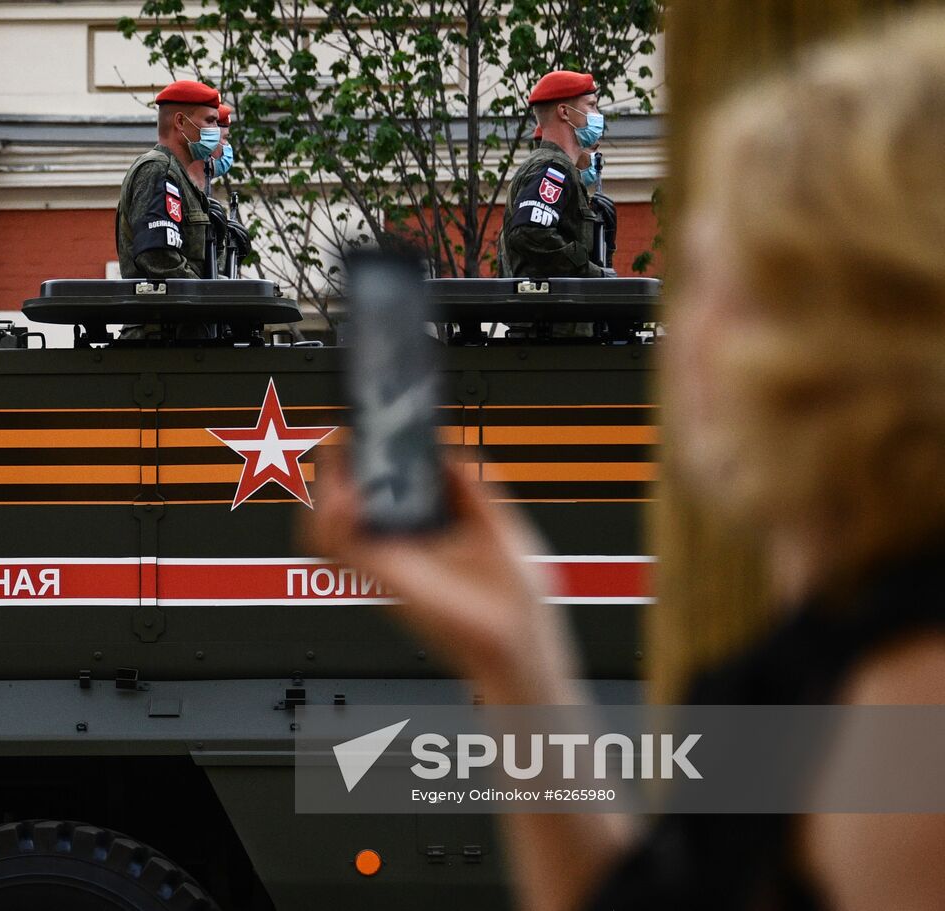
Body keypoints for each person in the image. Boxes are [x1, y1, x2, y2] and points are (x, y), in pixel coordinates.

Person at [307, 16, 945, 911]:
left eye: (720, 280)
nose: (687, 329)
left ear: (830, 348)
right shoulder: (834, 663)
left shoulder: (908, 731)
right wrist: (519, 660)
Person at [498, 71, 612, 279]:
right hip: (546, 309)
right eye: (591, 105)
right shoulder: (554, 168)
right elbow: (530, 232)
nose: (597, 113)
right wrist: (591, 272)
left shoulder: (556, 167)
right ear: (564, 112)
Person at [116, 79, 221, 280]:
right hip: (164, 310)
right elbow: (159, 258)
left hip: (182, 308)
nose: (216, 129)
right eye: (210, 121)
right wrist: (206, 295)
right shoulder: (158, 170)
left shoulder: (180, 177)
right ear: (180, 122)